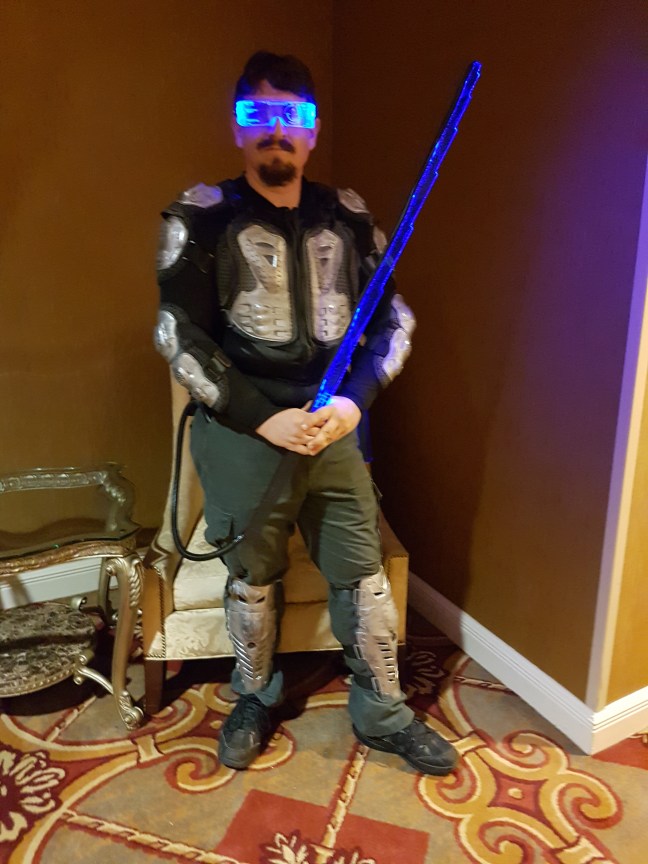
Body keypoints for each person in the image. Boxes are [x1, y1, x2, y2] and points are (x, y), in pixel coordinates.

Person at [154, 51, 458, 776]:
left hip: (332, 427)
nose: (277, 130)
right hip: (244, 430)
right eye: (259, 114)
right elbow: (178, 334)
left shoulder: (347, 218)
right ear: (238, 128)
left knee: (362, 571)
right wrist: (263, 419)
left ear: (312, 132)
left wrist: (353, 403)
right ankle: (254, 696)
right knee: (253, 574)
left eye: (292, 116)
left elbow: (392, 322)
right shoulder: (201, 217)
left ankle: (383, 713)